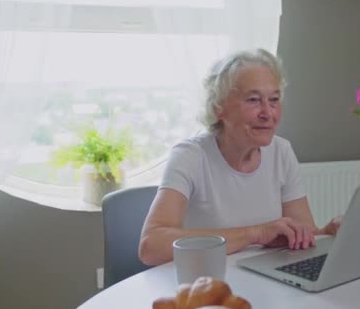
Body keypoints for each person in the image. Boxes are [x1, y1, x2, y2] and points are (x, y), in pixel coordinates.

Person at [139, 49, 339, 266]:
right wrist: (256, 234)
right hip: (205, 282)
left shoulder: (281, 152)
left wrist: (326, 232)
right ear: (218, 108)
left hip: (261, 281)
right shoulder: (190, 157)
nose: (267, 113)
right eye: (253, 100)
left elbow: (302, 235)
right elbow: (151, 246)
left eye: (274, 100)